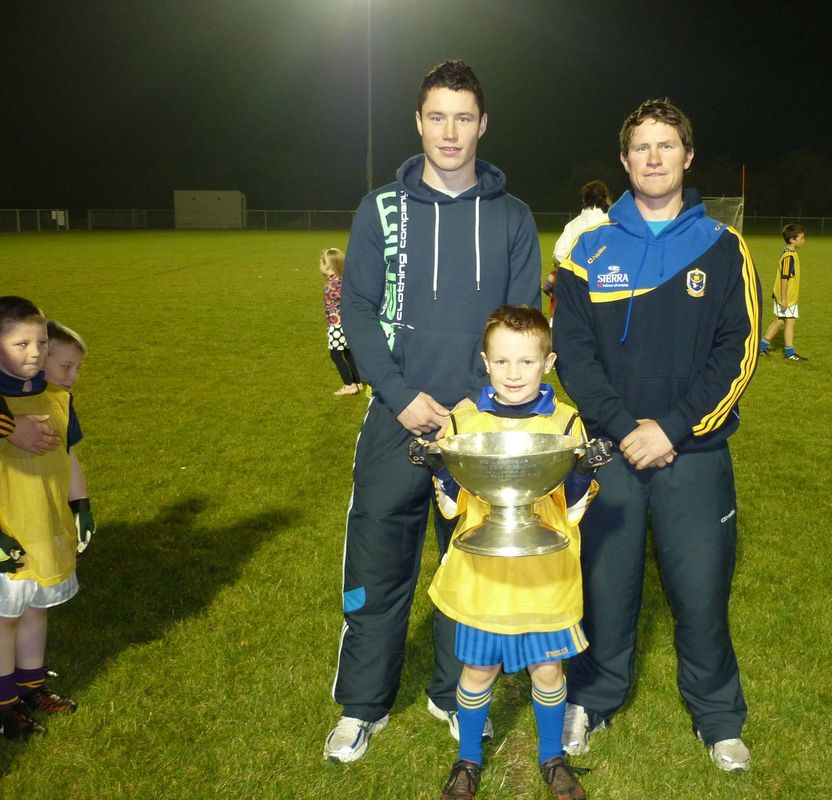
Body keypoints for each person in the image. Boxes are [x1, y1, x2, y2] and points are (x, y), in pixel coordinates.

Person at [324, 59, 541, 763]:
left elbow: (521, 323)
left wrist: (475, 405)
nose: (450, 131)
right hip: (397, 417)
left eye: (463, 117)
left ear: (483, 125)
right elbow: (357, 308)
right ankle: (362, 705)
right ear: (418, 122)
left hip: (478, 426)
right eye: (437, 116)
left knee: (469, 567)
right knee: (376, 566)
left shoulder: (512, 217)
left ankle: (453, 695)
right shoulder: (379, 209)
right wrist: (398, 393)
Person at [552, 98, 761, 773]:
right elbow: (572, 353)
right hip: (609, 452)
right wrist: (623, 427)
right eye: (640, 147)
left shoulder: (724, 247)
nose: (653, 157)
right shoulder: (588, 248)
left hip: (693, 452)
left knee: (701, 591)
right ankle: (591, 698)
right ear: (624, 160)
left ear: (687, 156)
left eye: (665, 145)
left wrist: (670, 428)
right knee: (603, 588)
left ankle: (717, 716)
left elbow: (738, 352)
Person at [410, 305, 609, 800]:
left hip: (545, 574)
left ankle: (552, 756)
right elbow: (454, 504)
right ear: (485, 362)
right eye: (501, 361)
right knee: (479, 669)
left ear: (548, 362)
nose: (513, 373)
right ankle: (468, 759)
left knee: (548, 669)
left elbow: (571, 507)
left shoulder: (565, 421)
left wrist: (583, 469)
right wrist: (437, 466)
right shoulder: (464, 419)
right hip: (486, 576)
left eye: (526, 361)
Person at [0, 298, 93, 741]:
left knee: (37, 610)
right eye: (21, 344)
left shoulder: (57, 396)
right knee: (4, 620)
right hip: (8, 530)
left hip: (45, 524)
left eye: (40, 342)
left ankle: (31, 687)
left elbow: (69, 455)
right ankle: (4, 705)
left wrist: (81, 505)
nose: (35, 352)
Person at [546, 181, 614, 324]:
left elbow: (558, 255)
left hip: (577, 289)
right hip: (610, 288)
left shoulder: (573, 225)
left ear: (584, 200)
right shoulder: (614, 223)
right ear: (605, 198)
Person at [758, 223, 808, 361]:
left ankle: (761, 348)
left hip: (785, 295)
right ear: (792, 239)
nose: (803, 240)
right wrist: (784, 299)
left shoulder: (790, 254)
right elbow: (784, 278)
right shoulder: (788, 257)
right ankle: (789, 353)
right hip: (786, 297)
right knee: (790, 322)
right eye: (801, 238)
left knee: (780, 321)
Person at [319, 247, 362, 396]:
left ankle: (349, 385)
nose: (319, 265)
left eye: (321, 262)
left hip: (337, 324)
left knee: (336, 355)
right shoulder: (340, 280)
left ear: (327, 265)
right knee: (347, 352)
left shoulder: (334, 284)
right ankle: (357, 381)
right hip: (344, 323)